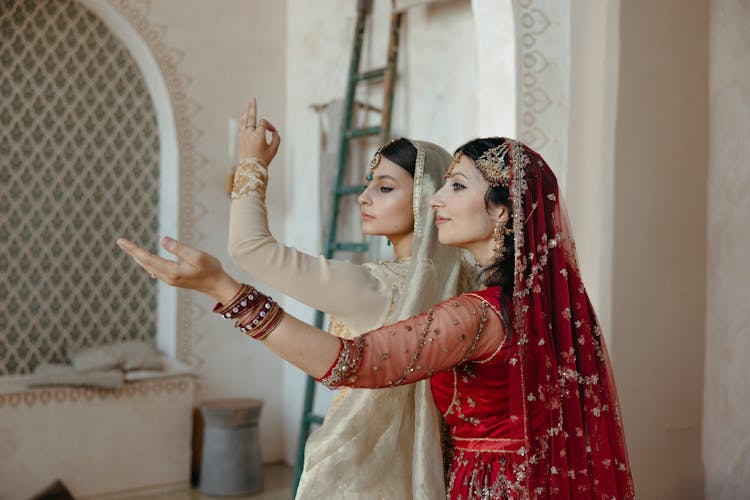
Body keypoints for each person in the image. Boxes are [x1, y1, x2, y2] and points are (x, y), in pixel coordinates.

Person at [119, 136, 635, 498]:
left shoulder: (474, 315)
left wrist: (222, 289)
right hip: (537, 478)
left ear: (502, 210)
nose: (435, 200)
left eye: (456, 187)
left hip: (489, 485)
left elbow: (353, 363)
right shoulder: (534, 304)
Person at [151, 98, 466, 498]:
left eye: (385, 187)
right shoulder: (464, 280)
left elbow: (249, 248)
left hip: (364, 470)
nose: (363, 196)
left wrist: (252, 163)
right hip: (440, 470)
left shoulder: (380, 288)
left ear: (427, 198)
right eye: (369, 182)